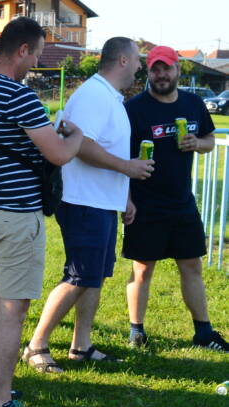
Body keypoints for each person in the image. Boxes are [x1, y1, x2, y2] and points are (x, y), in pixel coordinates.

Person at [0, 17, 83, 407]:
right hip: (16, 217)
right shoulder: (19, 95)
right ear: (23, 50)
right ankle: (1, 404)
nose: (35, 64)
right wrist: (75, 136)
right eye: (36, 54)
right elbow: (59, 154)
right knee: (13, 312)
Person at [23, 38, 152, 373]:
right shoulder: (94, 95)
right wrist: (127, 168)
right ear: (122, 60)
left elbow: (108, 146)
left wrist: (123, 196)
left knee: (94, 276)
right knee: (79, 276)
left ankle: (81, 346)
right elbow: (82, 146)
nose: (140, 66)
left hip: (101, 201)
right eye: (137, 60)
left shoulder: (110, 96)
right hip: (82, 201)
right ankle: (36, 345)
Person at [122, 46, 226, 352]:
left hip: (182, 201)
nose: (161, 75)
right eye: (155, 69)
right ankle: (136, 331)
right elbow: (121, 157)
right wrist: (127, 199)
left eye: (166, 68)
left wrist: (198, 143)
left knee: (192, 265)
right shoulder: (134, 109)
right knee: (143, 269)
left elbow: (210, 140)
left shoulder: (194, 104)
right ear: (148, 72)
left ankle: (204, 333)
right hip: (145, 202)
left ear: (178, 70)